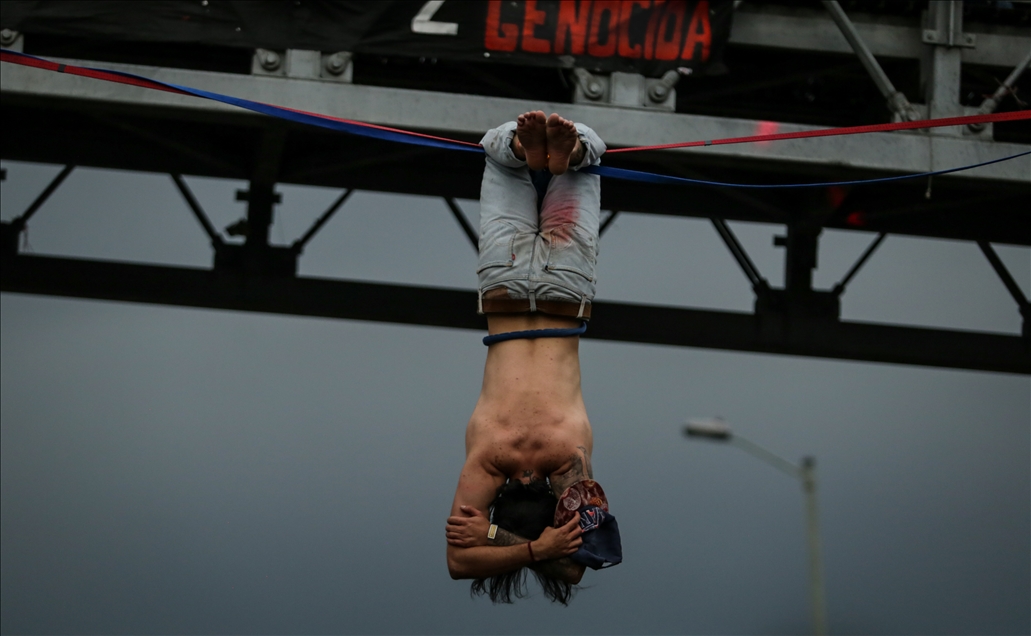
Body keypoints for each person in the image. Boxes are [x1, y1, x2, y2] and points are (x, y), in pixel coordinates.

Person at [444, 111, 621, 605]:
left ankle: (569, 152)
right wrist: (511, 544)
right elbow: (459, 559)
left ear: (559, 507)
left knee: (590, 157)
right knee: (499, 159)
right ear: (495, 507)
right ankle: (524, 149)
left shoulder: (569, 462)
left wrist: (541, 547)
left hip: (565, 294)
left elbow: (574, 567)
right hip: (504, 289)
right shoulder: (487, 461)